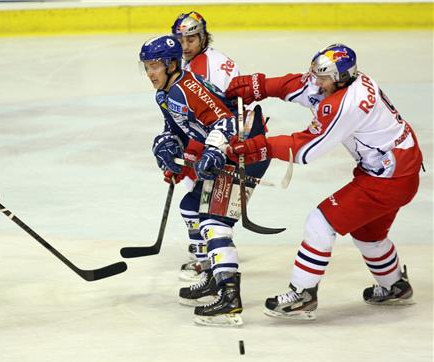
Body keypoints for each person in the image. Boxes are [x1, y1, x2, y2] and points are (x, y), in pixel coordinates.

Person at [225, 43, 423, 320]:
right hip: (397, 171)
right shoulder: (343, 81)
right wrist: (262, 86)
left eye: (323, 78)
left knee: (320, 223)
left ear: (341, 78)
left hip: (387, 179)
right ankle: (394, 286)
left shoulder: (346, 104)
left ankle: (303, 294)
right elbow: (301, 86)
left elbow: (306, 149)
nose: (316, 82)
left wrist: (262, 146)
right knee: (369, 235)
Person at [139, 35, 273, 326]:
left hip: (246, 149)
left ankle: (229, 297)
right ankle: (214, 277)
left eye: (154, 66)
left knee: (214, 222)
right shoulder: (166, 93)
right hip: (228, 149)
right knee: (191, 206)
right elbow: (177, 128)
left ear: (171, 64)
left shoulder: (187, 89)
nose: (150, 73)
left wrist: (212, 151)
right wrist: (166, 143)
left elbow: (226, 121)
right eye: (146, 67)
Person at [169, 11, 241, 282]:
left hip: (228, 143)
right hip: (218, 139)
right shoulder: (197, 61)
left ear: (203, 36)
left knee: (198, 204)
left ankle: (208, 261)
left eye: (191, 39)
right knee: (196, 197)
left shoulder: (205, 67)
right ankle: (209, 251)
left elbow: (219, 117)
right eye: (180, 39)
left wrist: (189, 152)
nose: (185, 45)